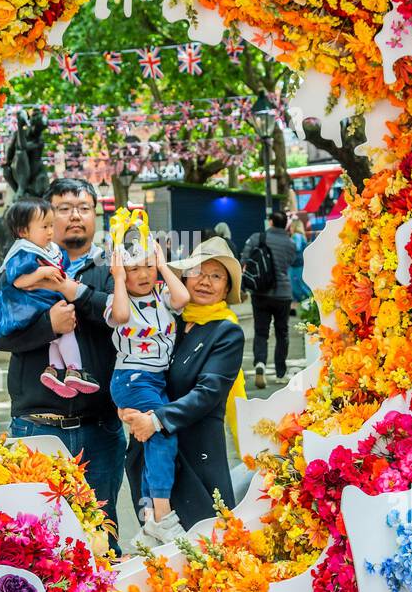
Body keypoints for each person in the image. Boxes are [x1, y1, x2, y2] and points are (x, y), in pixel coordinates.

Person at [0, 177, 126, 551]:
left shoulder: (113, 266)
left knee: (103, 533)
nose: (74, 217)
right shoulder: (22, 267)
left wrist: (75, 295)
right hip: (37, 426)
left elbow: (125, 317)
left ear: (96, 215)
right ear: (45, 217)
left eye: (83, 208)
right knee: (41, 539)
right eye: (63, 209)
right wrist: (48, 327)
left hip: (101, 428)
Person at [121, 237, 245, 535]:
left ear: (227, 289)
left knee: (205, 552)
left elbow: (208, 393)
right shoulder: (167, 323)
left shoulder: (227, 333)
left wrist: (155, 420)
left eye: (216, 276)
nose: (205, 281)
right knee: (159, 562)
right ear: (184, 278)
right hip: (153, 456)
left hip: (197, 458)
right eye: (198, 272)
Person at [106, 221, 189, 544]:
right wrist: (117, 279)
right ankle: (162, 515)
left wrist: (162, 264)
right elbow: (123, 317)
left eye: (146, 266)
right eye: (132, 269)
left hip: (156, 380)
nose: (142, 275)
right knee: (163, 433)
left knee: (151, 441)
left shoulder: (163, 295)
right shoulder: (116, 300)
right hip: (132, 379)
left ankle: (149, 524)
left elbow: (181, 298)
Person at [0, 197, 99, 398]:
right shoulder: (24, 252)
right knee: (63, 332)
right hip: (31, 304)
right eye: (44, 226)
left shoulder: (55, 252)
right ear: (23, 231)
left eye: (51, 225)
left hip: (43, 302)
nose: (50, 231)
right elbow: (19, 280)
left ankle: (54, 370)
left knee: (56, 337)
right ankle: (74, 369)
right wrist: (42, 273)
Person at [242, 210, 297, 388]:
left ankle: (260, 364)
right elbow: (290, 262)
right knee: (282, 333)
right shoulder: (290, 243)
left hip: (261, 293)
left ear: (271, 222)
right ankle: (280, 373)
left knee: (261, 332)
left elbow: (244, 259)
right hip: (283, 294)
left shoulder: (257, 238)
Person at [287, 214, 310, 307]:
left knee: (297, 285)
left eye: (291, 227)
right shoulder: (301, 236)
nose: (290, 229)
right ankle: (309, 301)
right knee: (301, 283)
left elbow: (296, 247)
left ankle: (308, 301)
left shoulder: (296, 236)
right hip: (299, 263)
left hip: (295, 264)